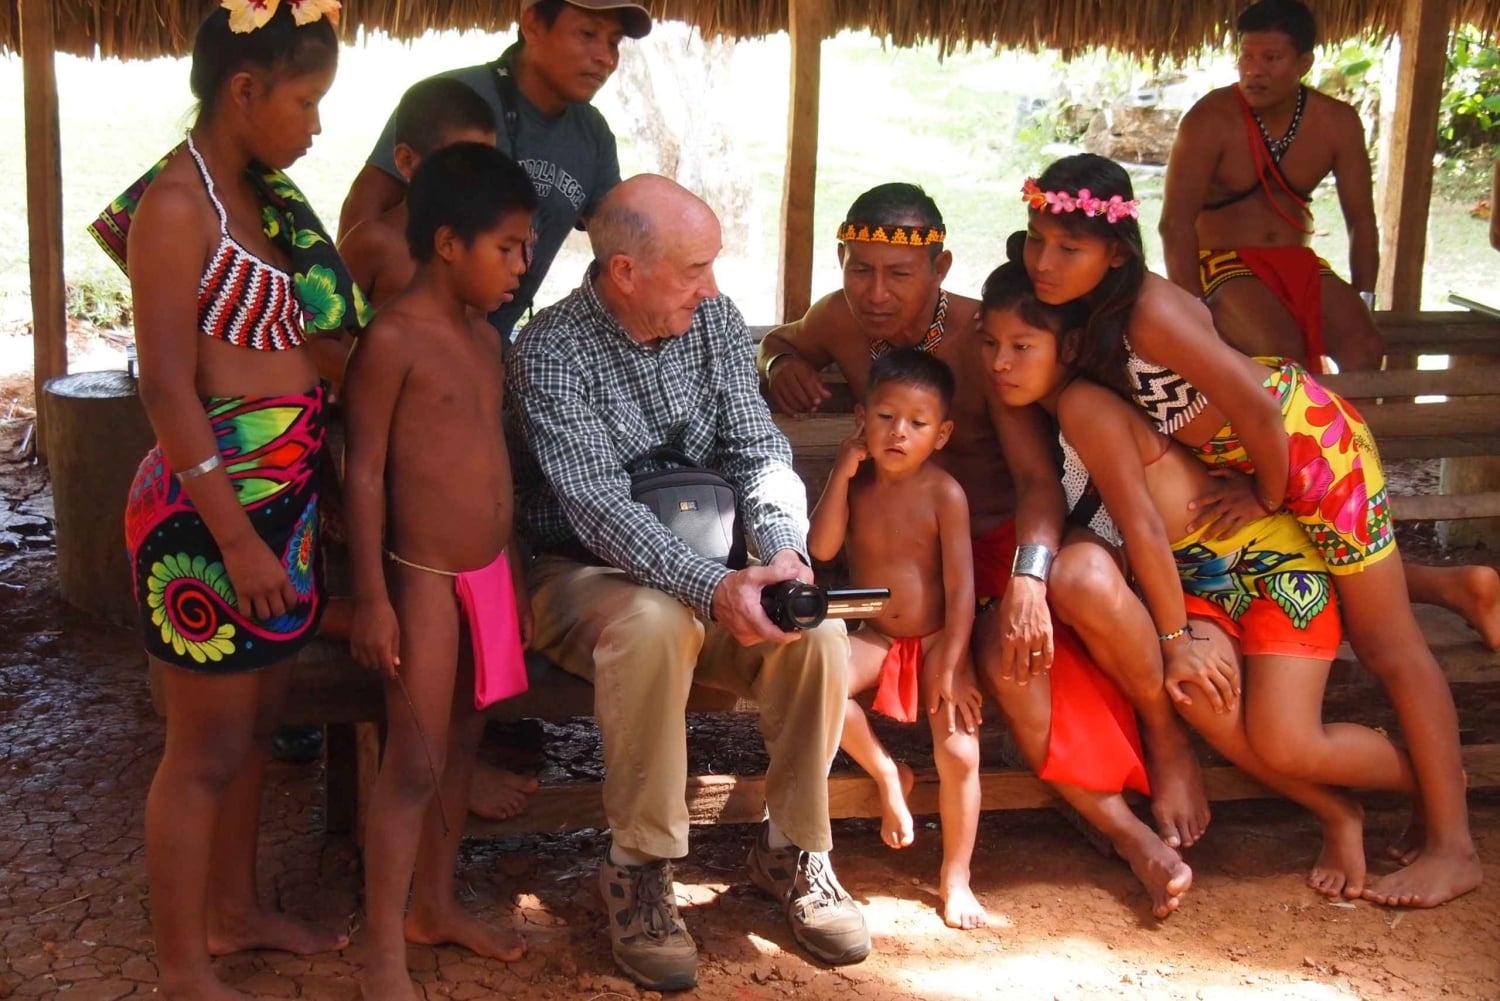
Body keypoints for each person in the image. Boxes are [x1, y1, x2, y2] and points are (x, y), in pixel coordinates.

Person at [1019, 151, 1483, 908]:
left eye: (1069, 248)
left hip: (1309, 446)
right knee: (1374, 618)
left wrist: (1268, 493)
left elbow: (1260, 405)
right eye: (1038, 240)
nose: (1046, 260)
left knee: (1390, 645)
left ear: (1117, 251)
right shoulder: (1088, 307)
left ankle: (1455, 845)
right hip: (1255, 457)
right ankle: (1454, 612)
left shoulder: (1149, 310)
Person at [758, 183, 1209, 855]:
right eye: (860, 268)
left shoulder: (980, 341)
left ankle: (1142, 790)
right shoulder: (838, 320)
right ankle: (1124, 829)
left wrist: (1030, 577)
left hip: (994, 549)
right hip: (902, 569)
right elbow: (777, 340)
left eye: (899, 274)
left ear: (940, 269)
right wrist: (782, 361)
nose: (875, 291)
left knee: (1014, 666)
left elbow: (1036, 480)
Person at [509, 174, 870, 991]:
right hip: (582, 573)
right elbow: (595, 504)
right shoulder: (550, 351)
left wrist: (781, 555)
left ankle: (796, 851)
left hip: (708, 564)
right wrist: (713, 588)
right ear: (626, 271)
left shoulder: (711, 321)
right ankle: (638, 870)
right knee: (652, 622)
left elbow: (758, 450)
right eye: (693, 268)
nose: (712, 286)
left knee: (818, 632)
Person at [982, 259, 1420, 901]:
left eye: (1022, 347)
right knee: (1197, 695)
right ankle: (1337, 810)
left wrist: (1176, 636)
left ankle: (1435, 785)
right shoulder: (1040, 399)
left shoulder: (1085, 404)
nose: (1000, 362)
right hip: (1201, 582)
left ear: (1068, 347)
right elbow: (1062, 498)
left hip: (1271, 574)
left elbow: (1144, 529)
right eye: (990, 345)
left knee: (1286, 738)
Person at [93, 4, 364, 997]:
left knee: (254, 729)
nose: (315, 126)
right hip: (206, 519)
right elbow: (167, 387)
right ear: (243, 91)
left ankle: (235, 910)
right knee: (202, 748)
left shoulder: (255, 198)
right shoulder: (180, 206)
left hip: (275, 506)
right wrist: (238, 541)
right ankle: (181, 965)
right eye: (306, 101)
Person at [342, 142, 536, 999]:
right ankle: (382, 948)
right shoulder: (393, 338)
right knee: (413, 759)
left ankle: (436, 905)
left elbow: (493, 463)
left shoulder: (487, 340)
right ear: (450, 242)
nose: (522, 266)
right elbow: (363, 470)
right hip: (420, 578)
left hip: (488, 574)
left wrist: (517, 575)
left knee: (460, 744)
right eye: (510, 247)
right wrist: (374, 599)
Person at [339, 0, 649, 338]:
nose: (605, 57)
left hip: (487, 337)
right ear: (532, 24)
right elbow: (367, 202)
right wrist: (355, 328)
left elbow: (619, 237)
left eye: (614, 42)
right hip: (401, 338)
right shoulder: (454, 101)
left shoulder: (594, 135)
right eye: (587, 33)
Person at [806, 348, 985, 929]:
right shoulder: (856, 487)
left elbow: (962, 591)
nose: (898, 433)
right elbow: (824, 549)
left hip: (939, 639)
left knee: (960, 752)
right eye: (885, 418)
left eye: (918, 423)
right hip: (877, 634)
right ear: (862, 418)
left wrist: (954, 662)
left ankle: (955, 877)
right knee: (819, 686)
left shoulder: (945, 494)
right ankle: (887, 774)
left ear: (942, 433)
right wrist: (841, 470)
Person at [1161, 0, 1383, 373]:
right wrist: (1193, 313)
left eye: (1271, 58)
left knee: (1366, 349)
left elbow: (1361, 221)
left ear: (1304, 63)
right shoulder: (1208, 119)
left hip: (1298, 263)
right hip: (1220, 263)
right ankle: (1288, 432)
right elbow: (1174, 224)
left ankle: (1349, 433)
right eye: (1246, 57)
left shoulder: (1337, 122)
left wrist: (1364, 299)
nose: (1254, 71)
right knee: (1281, 356)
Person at [338, 77, 498, 309]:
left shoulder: (477, 250)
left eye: (487, 163)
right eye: (463, 162)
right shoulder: (374, 242)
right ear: (407, 161)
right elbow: (326, 341)